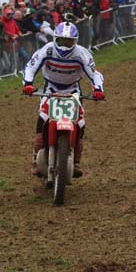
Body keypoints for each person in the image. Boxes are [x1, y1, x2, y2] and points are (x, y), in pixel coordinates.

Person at [22, 22, 105, 178]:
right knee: (43, 117)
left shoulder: (81, 54)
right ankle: (35, 157)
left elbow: (94, 74)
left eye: (69, 42)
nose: (65, 46)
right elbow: (30, 67)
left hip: (73, 90)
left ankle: (77, 161)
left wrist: (98, 89)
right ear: (55, 39)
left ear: (75, 41)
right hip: (51, 89)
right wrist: (28, 83)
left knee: (80, 123)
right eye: (61, 41)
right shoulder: (48, 50)